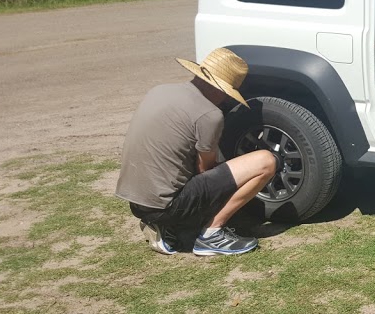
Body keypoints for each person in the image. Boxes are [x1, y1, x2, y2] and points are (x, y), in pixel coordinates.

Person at [115, 48, 278, 256]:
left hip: (138, 203)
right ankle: (212, 235)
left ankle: (165, 227)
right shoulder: (210, 115)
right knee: (265, 161)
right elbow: (204, 170)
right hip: (167, 207)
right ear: (221, 89)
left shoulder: (159, 90)